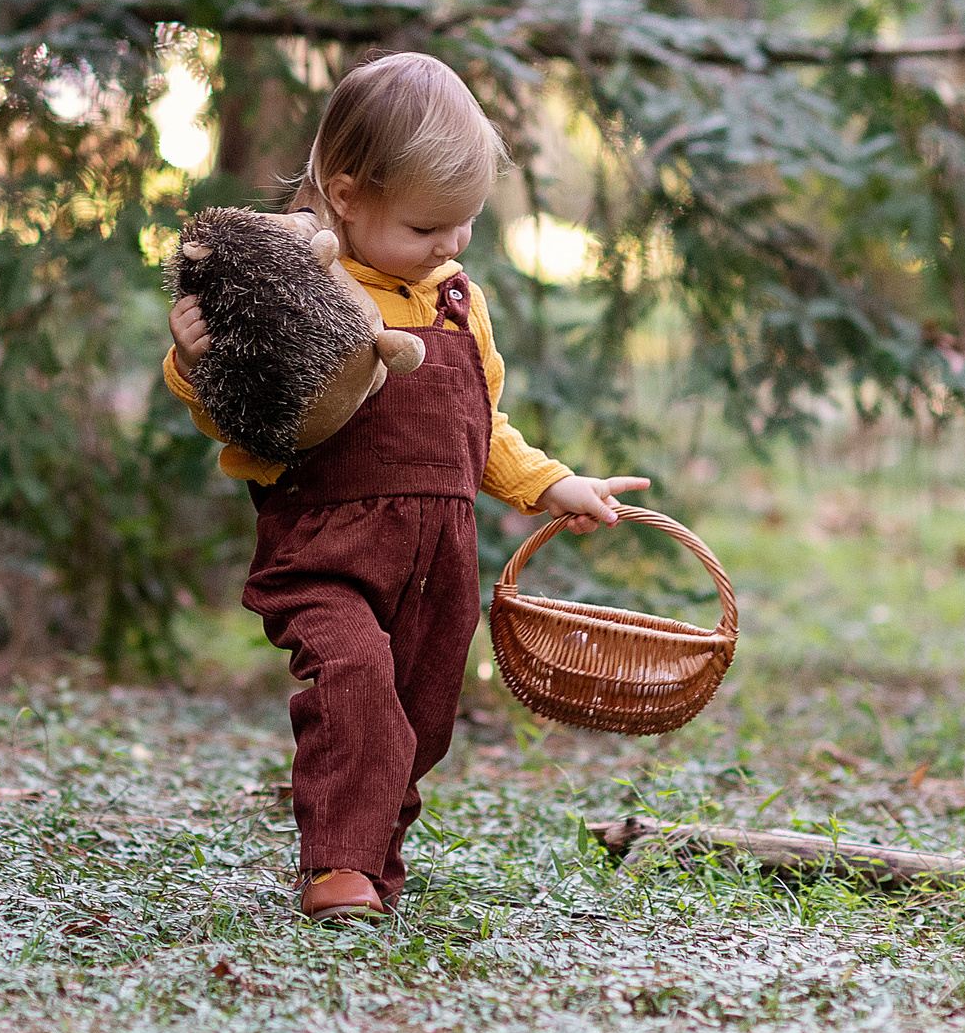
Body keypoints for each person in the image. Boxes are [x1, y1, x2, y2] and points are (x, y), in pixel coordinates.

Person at [164, 52, 648, 922]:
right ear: (347, 195)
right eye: (427, 227)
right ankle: (337, 866)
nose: (451, 245)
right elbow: (248, 414)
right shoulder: (298, 285)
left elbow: (483, 426)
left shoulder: (459, 300)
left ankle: (376, 853)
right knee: (353, 675)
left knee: (420, 717)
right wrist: (196, 361)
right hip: (326, 551)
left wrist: (555, 486)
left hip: (438, 562)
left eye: (464, 224)